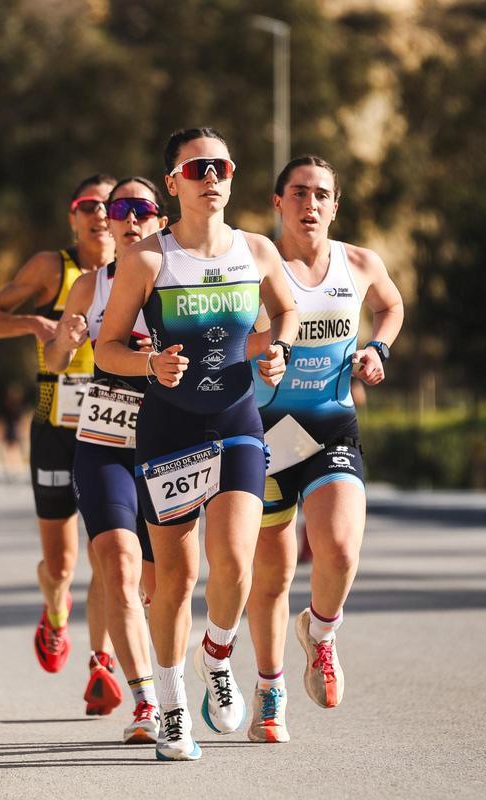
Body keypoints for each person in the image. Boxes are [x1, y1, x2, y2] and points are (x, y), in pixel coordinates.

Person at [95, 128, 297, 761]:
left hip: (236, 420)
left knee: (236, 559)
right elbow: (107, 349)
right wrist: (149, 368)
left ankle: (216, 653)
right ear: (175, 182)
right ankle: (174, 705)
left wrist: (277, 351)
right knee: (177, 579)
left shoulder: (257, 250)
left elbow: (285, 313)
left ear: (232, 178)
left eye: (222, 166)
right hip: (168, 428)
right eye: (198, 167)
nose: (212, 176)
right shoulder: (148, 261)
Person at [244, 155, 404, 742]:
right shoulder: (255, 266)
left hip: (332, 426)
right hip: (263, 435)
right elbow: (225, 340)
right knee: (272, 573)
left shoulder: (359, 263)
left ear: (336, 205)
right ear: (277, 202)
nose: (310, 204)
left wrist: (377, 350)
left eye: (322, 195)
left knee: (337, 548)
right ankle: (269, 687)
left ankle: (323, 631)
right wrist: (262, 349)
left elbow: (391, 306)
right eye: (298, 193)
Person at [0, 174, 121, 714]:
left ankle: (101, 663)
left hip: (112, 428)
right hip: (55, 425)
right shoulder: (51, 269)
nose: (101, 214)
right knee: (60, 566)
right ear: (72, 217)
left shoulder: (137, 267)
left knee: (106, 554)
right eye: (88, 205)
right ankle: (55, 612)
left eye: (111, 204)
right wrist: (35, 322)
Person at [45, 177, 167, 743]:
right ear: (111, 224)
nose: (129, 217)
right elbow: (54, 357)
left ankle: (179, 680)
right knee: (117, 566)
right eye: (121, 208)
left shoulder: (177, 281)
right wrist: (65, 340)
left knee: (162, 581)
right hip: (103, 440)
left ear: (160, 220)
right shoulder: (90, 285)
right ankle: (145, 703)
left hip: (170, 443)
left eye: (143, 208)